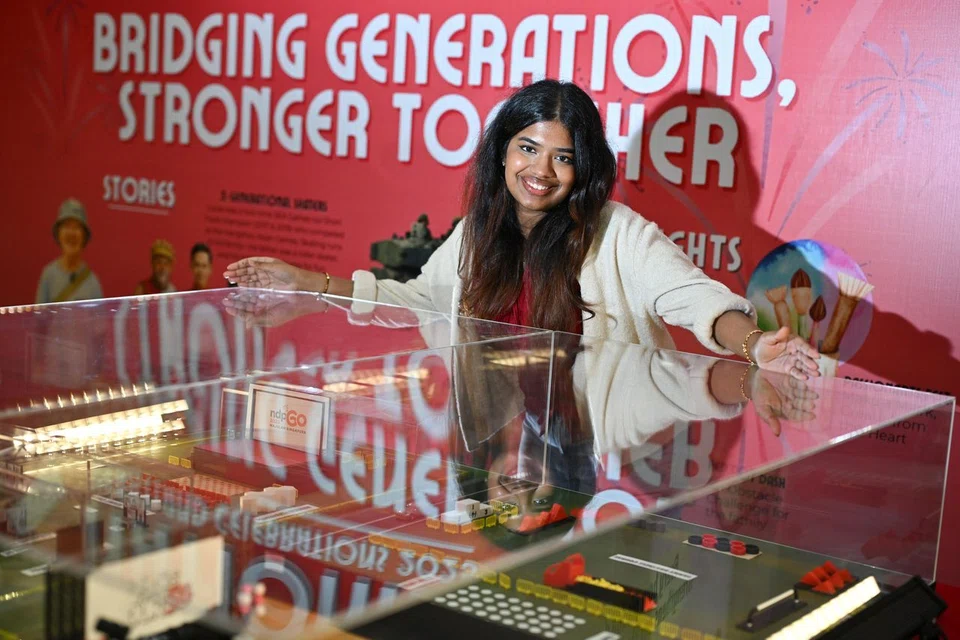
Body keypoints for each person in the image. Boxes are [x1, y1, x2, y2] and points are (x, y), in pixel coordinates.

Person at [225, 79, 819, 380]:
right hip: (498, 439)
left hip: (592, 454)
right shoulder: (480, 229)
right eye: (527, 147)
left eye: (561, 157)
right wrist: (307, 285)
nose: (539, 170)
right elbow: (420, 302)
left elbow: (700, 302)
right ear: (502, 151)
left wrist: (755, 344)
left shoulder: (618, 235)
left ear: (584, 166)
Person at [35, 198, 103, 304]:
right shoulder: (48, 275)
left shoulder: (93, 282)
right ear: (58, 234)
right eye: (67, 226)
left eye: (76, 227)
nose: (71, 233)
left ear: (84, 236)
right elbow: (39, 319)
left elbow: (99, 320)